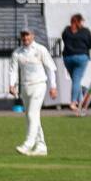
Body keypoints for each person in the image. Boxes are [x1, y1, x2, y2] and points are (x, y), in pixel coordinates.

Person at [9, 28, 57, 157]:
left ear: (33, 35)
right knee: (32, 117)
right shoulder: (17, 53)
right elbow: (13, 70)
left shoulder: (40, 49)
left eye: (28, 35)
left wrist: (53, 86)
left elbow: (50, 68)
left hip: (39, 85)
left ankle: (28, 144)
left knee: (32, 114)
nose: (25, 38)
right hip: (25, 87)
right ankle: (41, 146)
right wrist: (12, 84)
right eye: (23, 35)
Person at [60, 13, 91, 111]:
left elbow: (64, 39)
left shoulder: (66, 31)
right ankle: (73, 102)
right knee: (76, 80)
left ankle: (80, 101)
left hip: (68, 58)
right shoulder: (85, 31)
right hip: (81, 57)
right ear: (79, 21)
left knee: (76, 80)